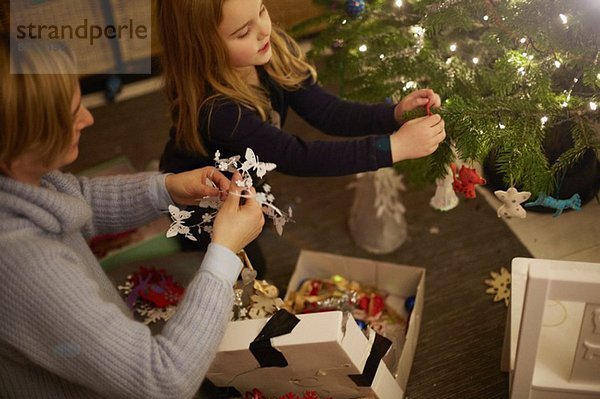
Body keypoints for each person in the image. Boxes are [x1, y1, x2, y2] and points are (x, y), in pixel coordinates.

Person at [0, 34, 265, 399]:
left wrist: (168, 188)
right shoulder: (27, 268)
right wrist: (223, 254)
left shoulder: (21, 180)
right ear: (19, 142)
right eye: (70, 112)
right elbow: (163, 381)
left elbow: (73, 199)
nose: (89, 118)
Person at [156, 0, 446, 269]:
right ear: (202, 48)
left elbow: (330, 113)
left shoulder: (272, 51)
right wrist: (393, 147)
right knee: (247, 269)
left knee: (254, 220)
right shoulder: (220, 113)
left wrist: (392, 114)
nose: (264, 31)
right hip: (203, 201)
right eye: (244, 31)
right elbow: (298, 157)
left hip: (244, 177)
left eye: (261, 11)